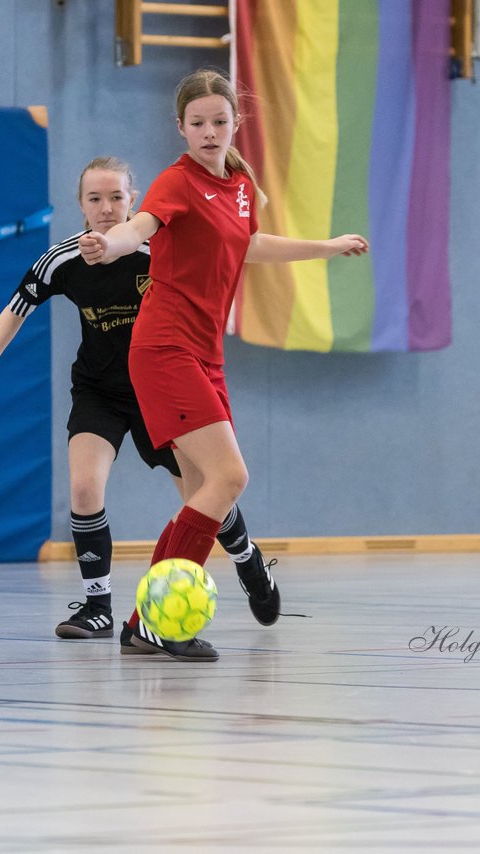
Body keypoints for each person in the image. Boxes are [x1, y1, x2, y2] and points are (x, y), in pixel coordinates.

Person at [79, 70, 369, 662]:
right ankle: (160, 621)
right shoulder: (176, 182)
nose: (209, 132)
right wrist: (110, 244)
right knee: (229, 479)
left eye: (219, 120)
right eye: (198, 123)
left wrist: (327, 246)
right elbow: (141, 228)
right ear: (180, 128)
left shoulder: (238, 183)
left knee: (203, 488)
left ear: (236, 122)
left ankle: (142, 623)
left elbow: (251, 245)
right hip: (164, 348)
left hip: (206, 353)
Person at [0, 155, 278, 645]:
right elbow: (14, 309)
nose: (107, 208)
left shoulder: (160, 248)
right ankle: (97, 607)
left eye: (117, 197)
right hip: (100, 391)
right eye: (95, 199)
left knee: (202, 494)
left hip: (159, 386)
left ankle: (248, 560)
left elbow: (231, 258)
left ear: (134, 200)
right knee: (85, 487)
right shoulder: (64, 259)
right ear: (81, 206)